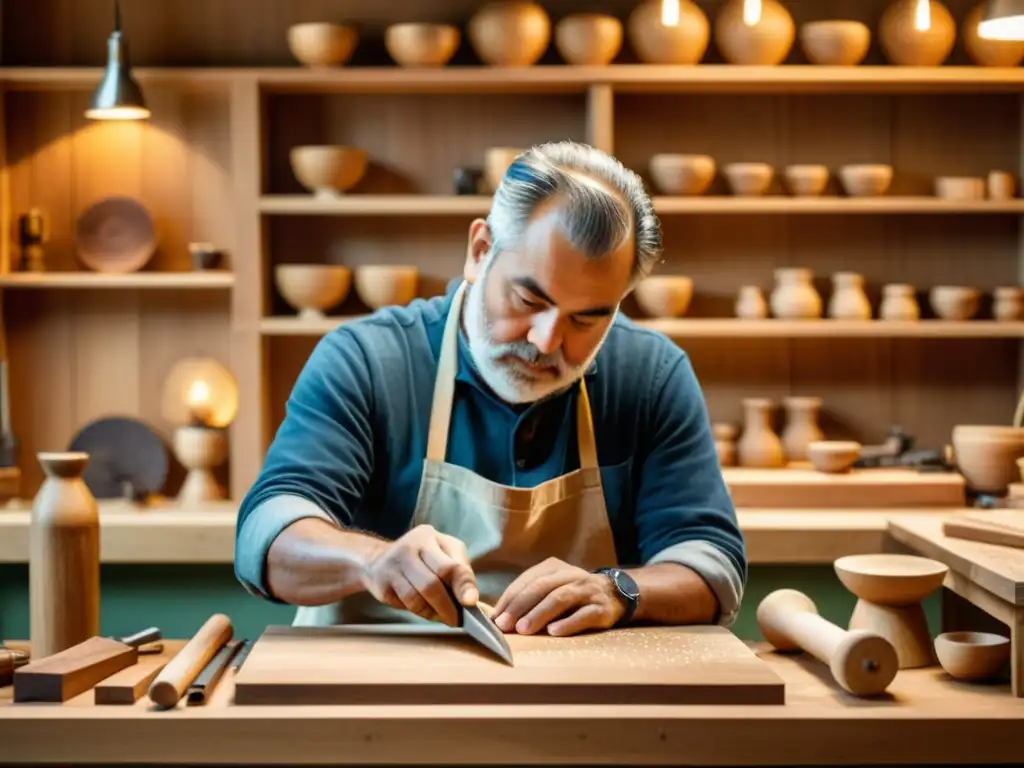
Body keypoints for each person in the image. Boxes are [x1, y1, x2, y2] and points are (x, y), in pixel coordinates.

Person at [234, 140, 746, 636]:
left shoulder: (650, 376)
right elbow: (268, 536)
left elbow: (712, 565)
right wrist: (372, 561)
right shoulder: (367, 360)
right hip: (374, 703)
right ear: (480, 251)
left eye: (587, 319)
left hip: (575, 703)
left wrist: (619, 590)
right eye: (528, 300)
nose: (548, 341)